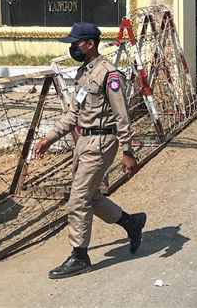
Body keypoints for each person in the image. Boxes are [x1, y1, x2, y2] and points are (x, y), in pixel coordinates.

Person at [32, 23, 146, 279]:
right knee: (90, 196)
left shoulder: (109, 74)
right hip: (84, 142)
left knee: (78, 199)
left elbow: (122, 116)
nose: (73, 47)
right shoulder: (84, 74)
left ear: (90, 43)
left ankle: (79, 257)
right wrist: (49, 138)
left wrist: (128, 151)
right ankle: (131, 223)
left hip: (101, 143)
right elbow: (73, 114)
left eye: (77, 43)